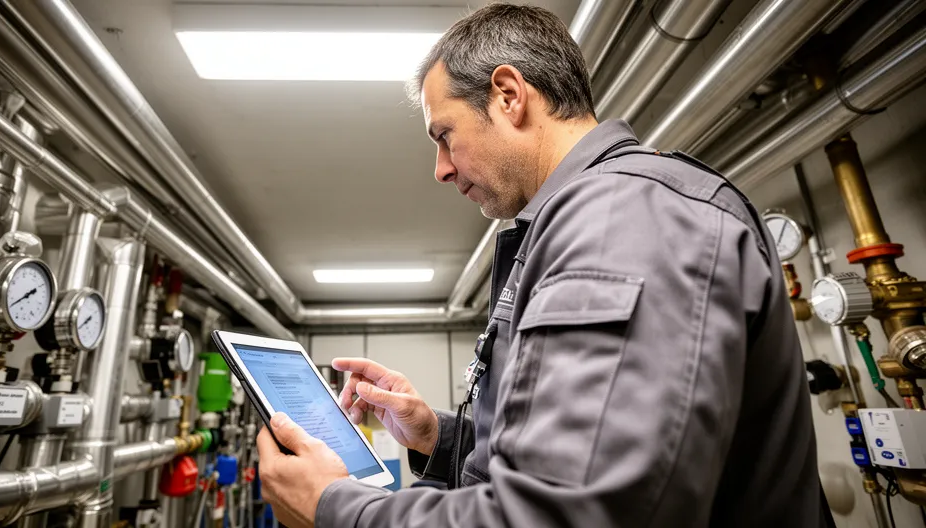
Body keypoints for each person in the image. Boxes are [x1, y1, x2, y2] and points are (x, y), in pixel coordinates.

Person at [255, 4, 827, 527]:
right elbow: (559, 464)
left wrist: (334, 506)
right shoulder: (587, 220)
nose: (441, 169)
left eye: (445, 135)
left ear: (508, 95)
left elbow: (570, 512)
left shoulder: (620, 217)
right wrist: (437, 436)